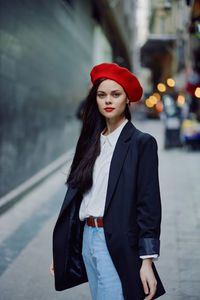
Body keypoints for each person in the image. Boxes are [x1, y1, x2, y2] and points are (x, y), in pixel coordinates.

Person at [50, 63, 166, 300]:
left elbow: (149, 205)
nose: (108, 101)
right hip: (86, 240)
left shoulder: (141, 143)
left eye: (116, 94)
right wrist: (64, 249)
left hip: (115, 242)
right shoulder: (90, 142)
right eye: (102, 95)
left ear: (127, 100)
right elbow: (77, 200)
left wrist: (147, 261)